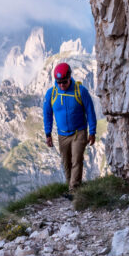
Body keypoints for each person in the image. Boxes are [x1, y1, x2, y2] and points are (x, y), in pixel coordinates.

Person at [43, 62, 97, 192]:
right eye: (59, 82)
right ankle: (72, 187)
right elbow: (47, 114)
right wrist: (48, 133)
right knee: (66, 163)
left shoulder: (81, 91)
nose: (61, 85)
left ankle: (74, 190)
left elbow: (90, 111)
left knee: (77, 160)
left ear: (70, 77)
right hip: (62, 135)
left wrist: (92, 131)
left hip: (79, 132)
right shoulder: (51, 93)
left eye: (64, 82)